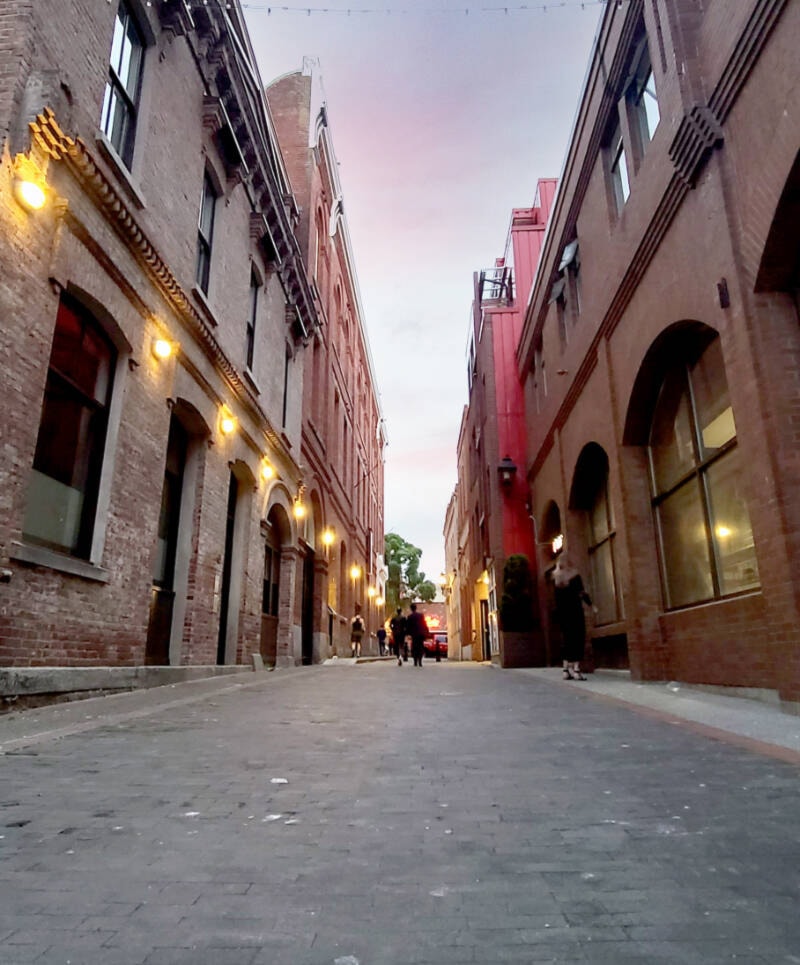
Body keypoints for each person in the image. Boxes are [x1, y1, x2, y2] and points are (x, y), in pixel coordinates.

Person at [553, 556, 596, 680]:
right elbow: (581, 593)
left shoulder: (556, 579)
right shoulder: (575, 577)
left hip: (563, 614)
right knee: (578, 638)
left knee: (567, 640)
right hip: (575, 612)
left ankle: (565, 669)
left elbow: (556, 600)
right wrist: (591, 605)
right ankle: (576, 669)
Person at [405, 602, 430, 668]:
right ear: (416, 608)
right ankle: (420, 661)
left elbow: (408, 626)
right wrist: (427, 632)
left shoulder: (410, 617)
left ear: (411, 609)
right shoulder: (421, 615)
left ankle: (415, 661)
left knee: (415, 647)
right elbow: (424, 624)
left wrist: (407, 634)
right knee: (420, 647)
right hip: (421, 634)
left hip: (414, 635)